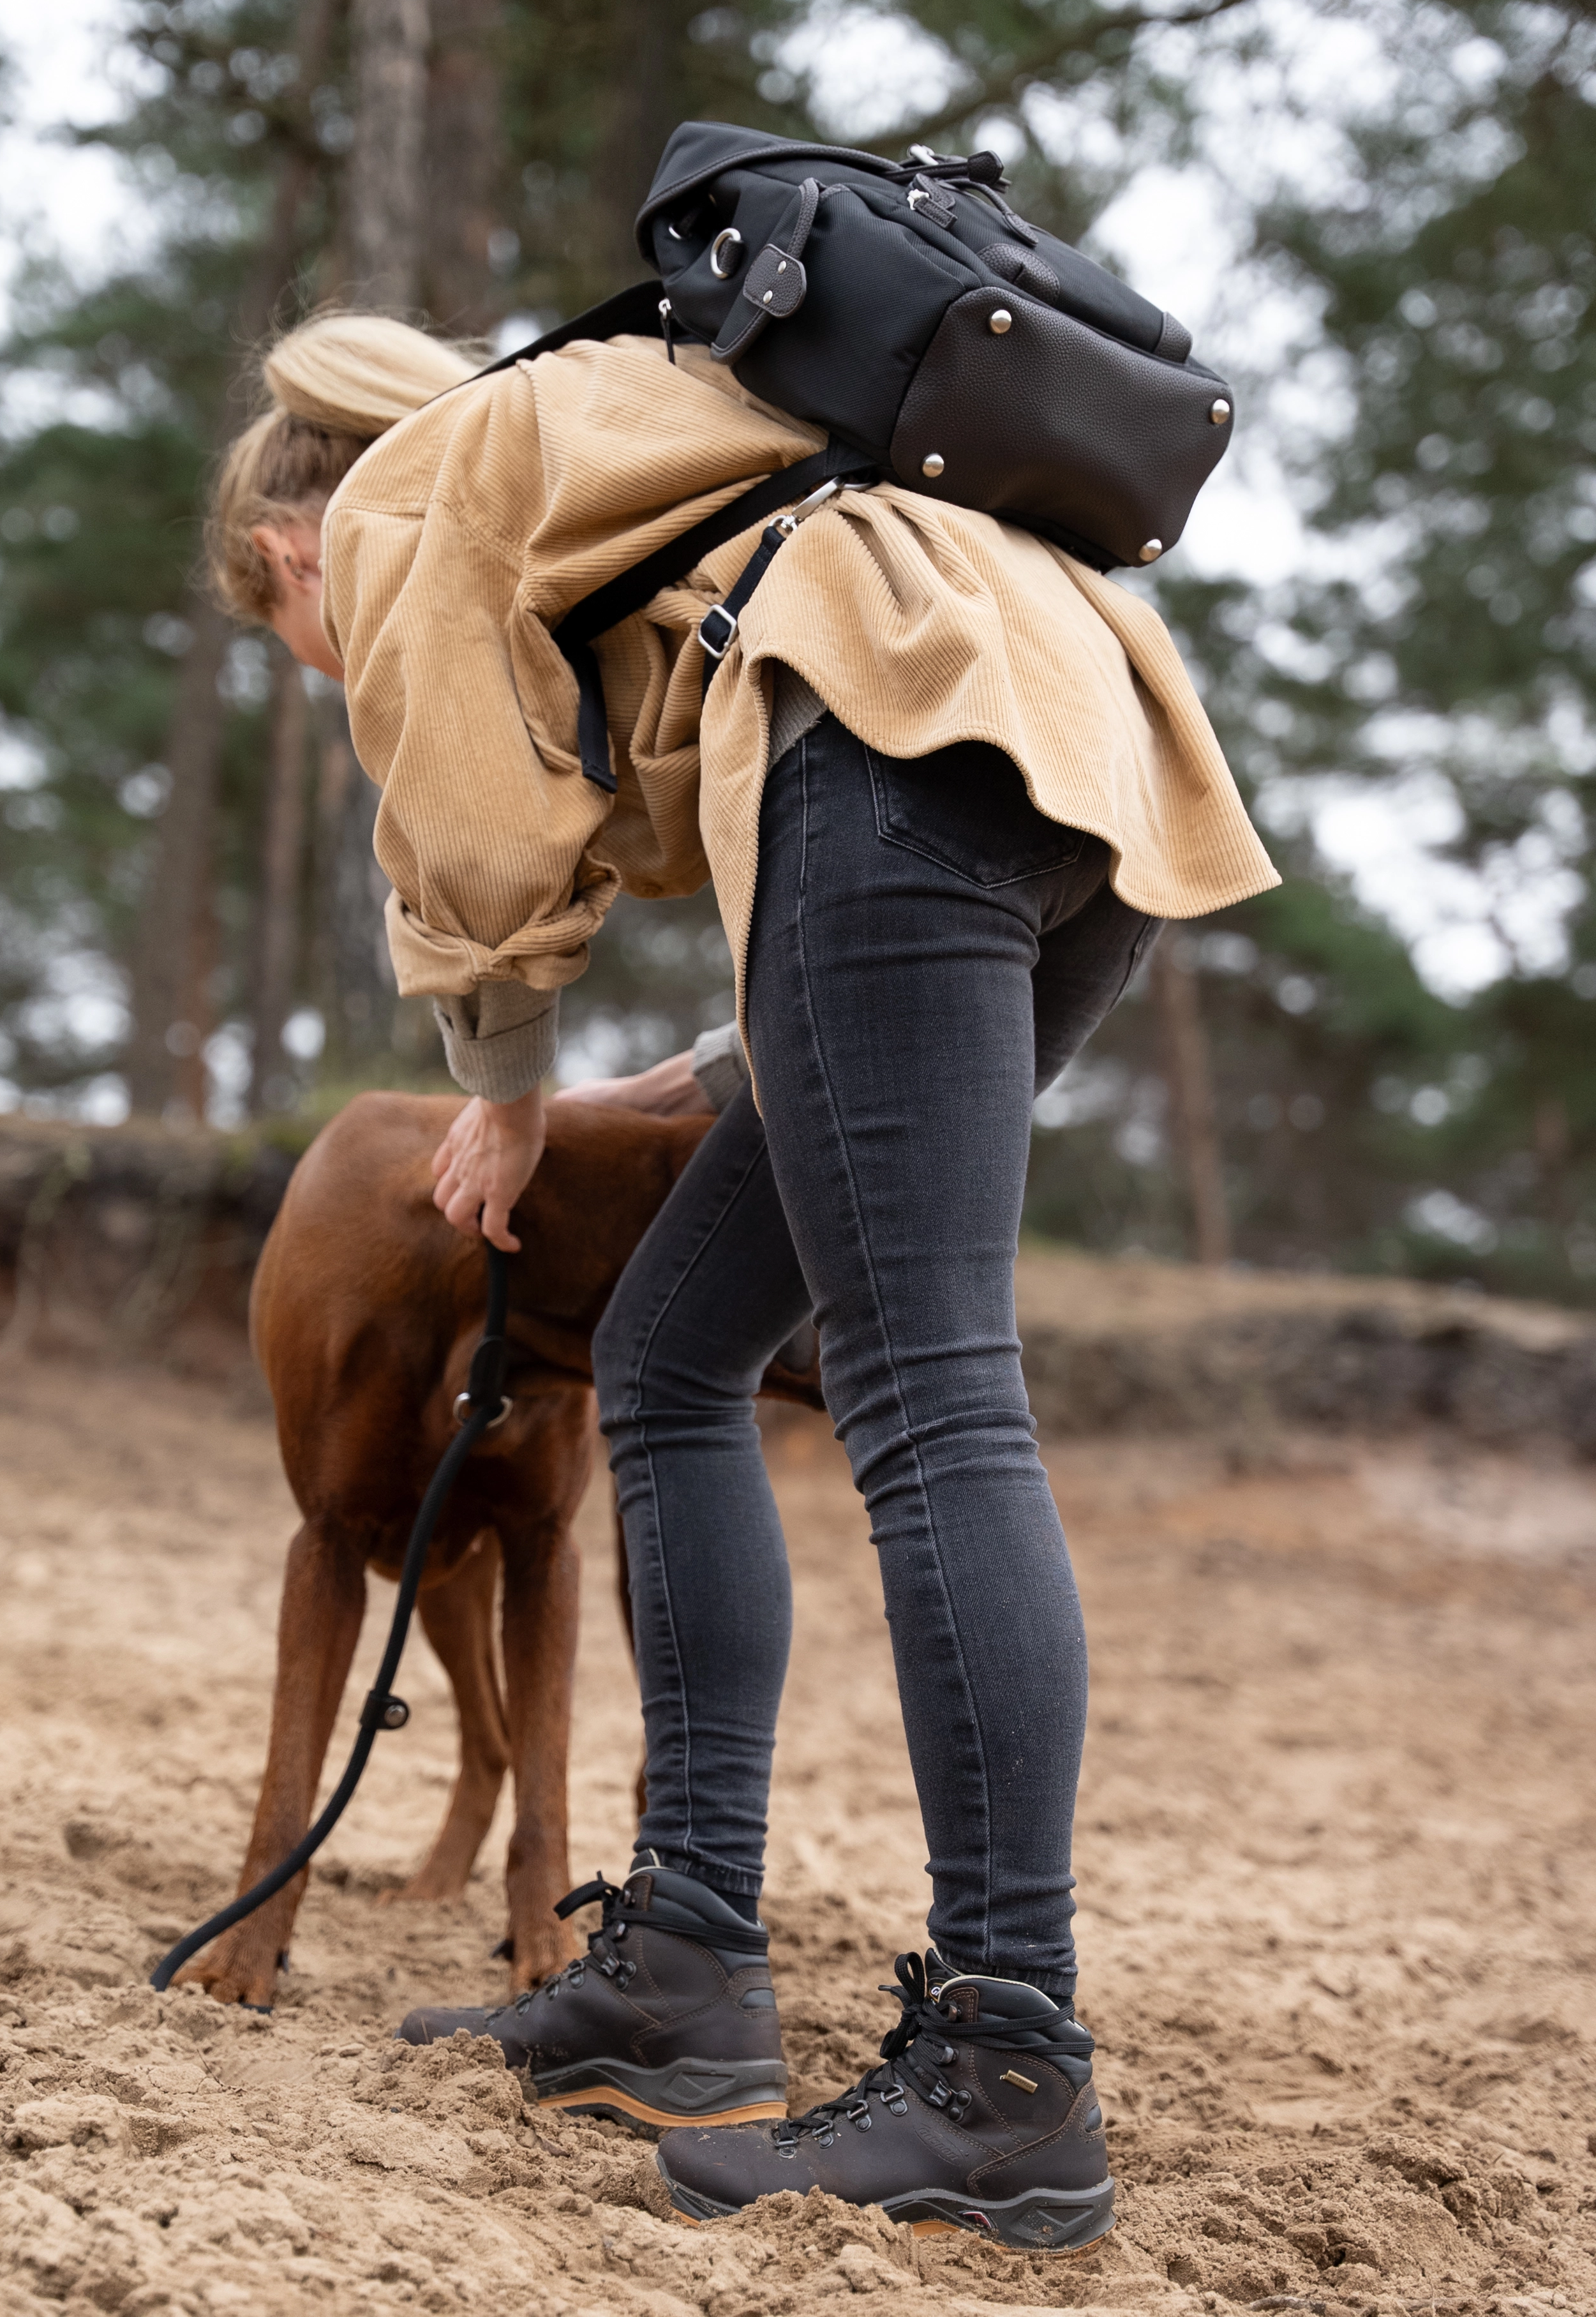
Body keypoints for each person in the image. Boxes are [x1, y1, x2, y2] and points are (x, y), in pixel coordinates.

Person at [211, 310, 1277, 2248]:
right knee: (675, 1346)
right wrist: (706, 1073)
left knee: (933, 1384)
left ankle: (1001, 2067)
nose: (325, 666)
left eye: (292, 649)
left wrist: (508, 1099)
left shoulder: (381, 505)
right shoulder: (615, 434)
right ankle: (686, 1963)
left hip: (897, 739)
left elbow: (465, 827)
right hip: (1066, 739)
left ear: (282, 560)